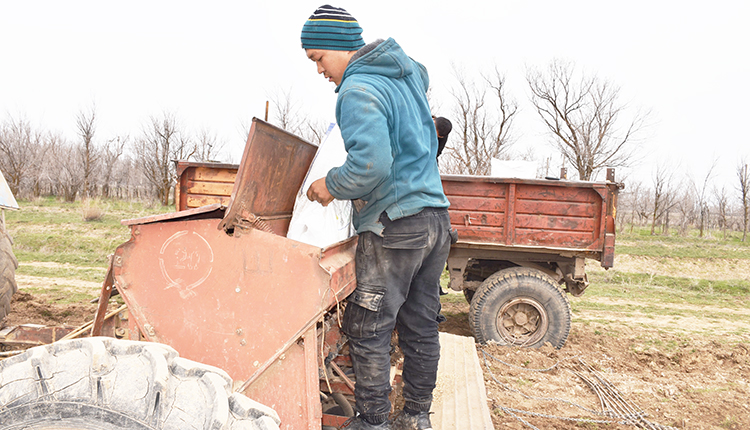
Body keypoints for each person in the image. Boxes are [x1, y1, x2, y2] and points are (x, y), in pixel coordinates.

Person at [301, 5, 452, 430]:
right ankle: (416, 417)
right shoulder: (403, 80)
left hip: (394, 225)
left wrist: (329, 185)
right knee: (421, 324)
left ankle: (372, 422)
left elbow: (370, 166)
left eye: (318, 58)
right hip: (435, 221)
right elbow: (419, 83)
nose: (318, 70)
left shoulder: (358, 89)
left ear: (339, 48)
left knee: (368, 327)